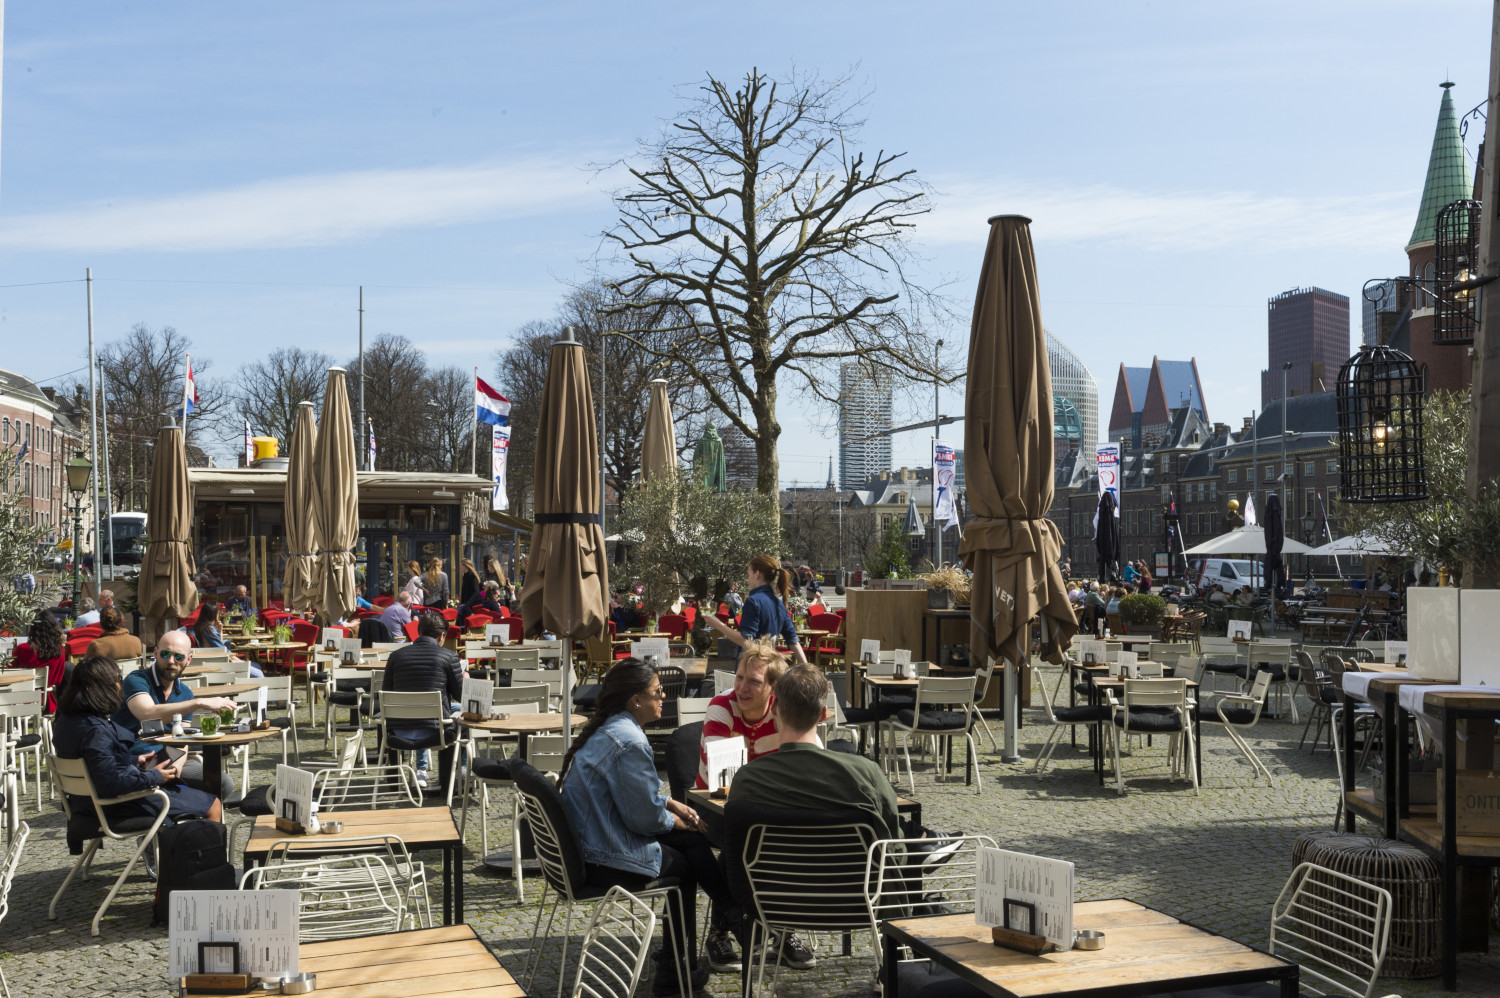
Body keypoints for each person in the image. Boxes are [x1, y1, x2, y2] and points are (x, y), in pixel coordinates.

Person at [559, 660, 728, 996]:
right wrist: (674, 818)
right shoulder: (631, 741)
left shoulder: (611, 728)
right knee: (686, 861)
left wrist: (669, 802)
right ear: (635, 700)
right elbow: (644, 820)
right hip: (601, 858)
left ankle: (683, 959)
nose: (664, 697)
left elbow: (629, 794)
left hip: (587, 846)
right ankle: (678, 968)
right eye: (658, 691)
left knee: (691, 844)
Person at [52, 656, 222, 827]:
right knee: (213, 805)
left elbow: (95, 764)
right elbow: (110, 785)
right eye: (117, 680)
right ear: (100, 688)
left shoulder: (65, 722)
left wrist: (134, 760)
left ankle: (168, 841)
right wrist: (154, 776)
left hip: (84, 804)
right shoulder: (96, 731)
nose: (119, 686)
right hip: (115, 805)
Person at [113, 631, 239, 799]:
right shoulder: (137, 680)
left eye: (179, 656)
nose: (171, 661)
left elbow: (182, 739)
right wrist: (199, 702)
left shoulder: (185, 693)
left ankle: (193, 812)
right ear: (155, 653)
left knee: (222, 782)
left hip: (166, 759)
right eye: (165, 654)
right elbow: (146, 714)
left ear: (189, 659)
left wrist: (177, 766)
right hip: (132, 761)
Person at [381, 611, 465, 790]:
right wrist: (465, 677)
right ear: (442, 636)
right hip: (436, 731)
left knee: (444, 709)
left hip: (398, 731)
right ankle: (459, 773)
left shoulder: (395, 656)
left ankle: (396, 779)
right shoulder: (449, 657)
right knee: (463, 717)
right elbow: (462, 695)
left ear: (419, 632)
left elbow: (386, 693)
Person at [694, 640, 792, 789]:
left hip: (764, 796)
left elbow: (805, 759)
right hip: (711, 798)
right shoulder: (722, 706)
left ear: (774, 688)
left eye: (754, 681)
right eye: (739, 677)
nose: (742, 688)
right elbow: (722, 773)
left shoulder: (783, 709)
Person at [703, 555, 808, 666]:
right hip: (770, 668)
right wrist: (806, 668)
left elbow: (746, 640)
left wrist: (717, 624)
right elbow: (793, 641)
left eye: (749, 574)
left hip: (751, 668)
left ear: (757, 574)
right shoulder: (778, 604)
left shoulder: (754, 601)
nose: (748, 579)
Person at [15, 609, 67, 713]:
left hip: (20, 699)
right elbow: (58, 679)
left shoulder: (23, 649)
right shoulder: (59, 650)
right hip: (46, 701)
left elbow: (11, 671)